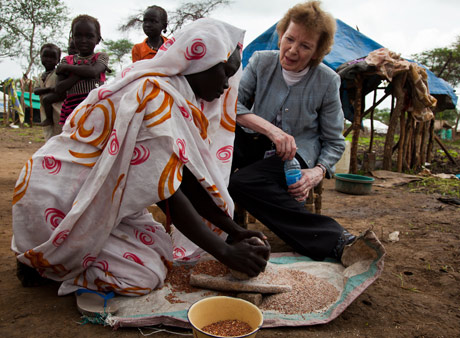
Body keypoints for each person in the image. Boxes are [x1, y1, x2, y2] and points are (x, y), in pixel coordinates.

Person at [12, 18, 269, 304]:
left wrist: (235, 231)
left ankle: (50, 256)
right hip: (57, 197)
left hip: (89, 194)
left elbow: (179, 177)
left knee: (159, 247)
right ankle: (47, 262)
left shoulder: (173, 94)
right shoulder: (155, 97)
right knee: (145, 274)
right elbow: (168, 195)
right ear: (200, 61)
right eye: (223, 73)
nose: (225, 84)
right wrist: (225, 253)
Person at [228, 1, 355, 261]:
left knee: (243, 182)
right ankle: (219, 232)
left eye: (305, 46)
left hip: (293, 156)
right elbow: (233, 105)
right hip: (255, 141)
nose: (292, 50)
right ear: (281, 33)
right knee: (218, 155)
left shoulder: (327, 80)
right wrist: (271, 130)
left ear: (317, 51)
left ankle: (334, 239)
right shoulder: (261, 62)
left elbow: (334, 141)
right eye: (289, 39)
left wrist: (316, 173)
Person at [56, 15, 109, 125]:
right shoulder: (66, 60)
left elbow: (93, 72)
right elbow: (59, 88)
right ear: (73, 38)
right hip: (72, 111)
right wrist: (81, 73)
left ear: (98, 39)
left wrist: (68, 68)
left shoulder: (101, 57)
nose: (83, 40)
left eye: (89, 36)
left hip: (97, 110)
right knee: (72, 141)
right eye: (78, 36)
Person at [34, 44, 64, 137]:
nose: (48, 59)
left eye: (52, 57)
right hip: (45, 112)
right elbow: (36, 90)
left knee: (59, 134)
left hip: (59, 111)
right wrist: (50, 89)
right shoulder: (40, 76)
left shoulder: (59, 74)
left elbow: (61, 90)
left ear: (58, 60)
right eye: (45, 56)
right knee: (49, 134)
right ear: (41, 57)